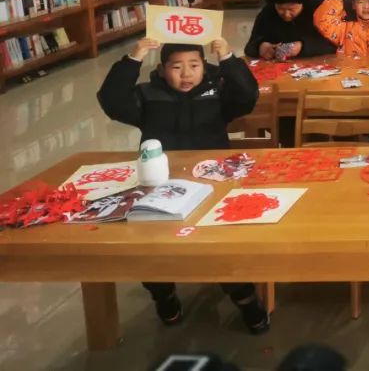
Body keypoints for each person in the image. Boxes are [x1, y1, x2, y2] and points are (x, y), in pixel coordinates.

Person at [96, 38, 268, 334]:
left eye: (194, 65)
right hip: (160, 185)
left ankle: (246, 300)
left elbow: (248, 95)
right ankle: (163, 295)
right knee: (152, 248)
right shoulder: (148, 96)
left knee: (221, 248)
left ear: (204, 67)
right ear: (162, 70)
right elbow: (112, 101)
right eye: (176, 67)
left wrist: (228, 58)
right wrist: (133, 58)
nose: (186, 74)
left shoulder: (217, 92)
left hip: (215, 182)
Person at [244, 0, 336, 61]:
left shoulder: (319, 12)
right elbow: (250, 46)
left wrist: (302, 47)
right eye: (281, 9)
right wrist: (261, 47)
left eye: (292, 9)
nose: (286, 14)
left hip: (314, 64)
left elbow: (333, 44)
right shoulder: (267, 12)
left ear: (302, 4)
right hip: (278, 66)